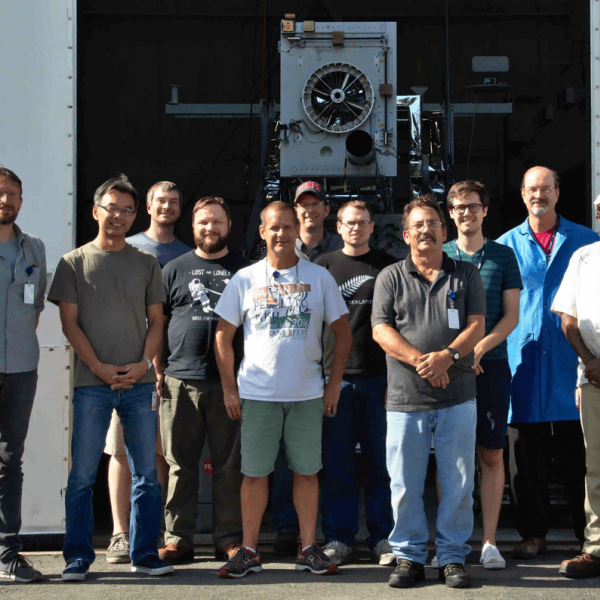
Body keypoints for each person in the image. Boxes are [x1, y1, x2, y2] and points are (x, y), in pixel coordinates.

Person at [214, 201, 352, 578]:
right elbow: (223, 336)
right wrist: (230, 388)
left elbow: (343, 333)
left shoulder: (319, 277)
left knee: (307, 473)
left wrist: (333, 384)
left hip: (307, 393)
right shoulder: (244, 278)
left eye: (288, 227)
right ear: (262, 232)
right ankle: (248, 551)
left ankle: (308, 548)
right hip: (257, 395)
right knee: (254, 474)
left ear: (297, 230)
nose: (281, 234)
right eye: (273, 227)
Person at [47, 175, 174, 581]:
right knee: (82, 476)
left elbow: (157, 322)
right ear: (95, 210)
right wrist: (100, 369)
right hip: (92, 385)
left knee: (147, 476)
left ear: (135, 215)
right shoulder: (73, 262)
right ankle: (78, 558)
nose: (118, 215)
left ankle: (144, 554)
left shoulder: (146, 262)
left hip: (138, 386)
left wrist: (143, 365)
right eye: (111, 207)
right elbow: (70, 324)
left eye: (126, 210)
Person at [372, 194, 486, 589]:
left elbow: (477, 325)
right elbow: (381, 330)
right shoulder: (390, 276)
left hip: (458, 397)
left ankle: (453, 556)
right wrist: (425, 361)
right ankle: (409, 555)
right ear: (406, 235)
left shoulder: (466, 274)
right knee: (404, 482)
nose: (425, 230)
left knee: (458, 481)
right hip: (406, 399)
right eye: (417, 225)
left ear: (444, 229)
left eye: (432, 223)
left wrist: (449, 356)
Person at [497, 166, 600, 559]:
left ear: (558, 193)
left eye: (546, 188)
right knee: (526, 460)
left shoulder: (587, 242)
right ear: (522, 195)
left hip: (574, 364)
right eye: (531, 189)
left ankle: (584, 536)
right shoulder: (505, 246)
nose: (538, 194)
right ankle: (533, 534)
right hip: (522, 364)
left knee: (582, 458)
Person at [104, 181, 190, 564]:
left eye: (174, 201)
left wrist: (161, 364)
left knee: (157, 453)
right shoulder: (129, 246)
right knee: (121, 450)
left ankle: (146, 530)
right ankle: (120, 534)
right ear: (147, 207)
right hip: (125, 365)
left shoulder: (187, 255)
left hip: (167, 370)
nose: (167, 206)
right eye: (161, 201)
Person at [158, 196, 246, 563]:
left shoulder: (245, 271)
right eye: (203, 223)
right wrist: (157, 370)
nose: (210, 228)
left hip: (231, 384)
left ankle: (228, 539)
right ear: (192, 227)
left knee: (230, 466)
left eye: (217, 222)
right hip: (179, 381)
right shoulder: (173, 269)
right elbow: (157, 325)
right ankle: (178, 538)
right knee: (180, 464)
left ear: (229, 226)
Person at [442, 180, 522, 569]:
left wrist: (480, 349)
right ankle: (450, 539)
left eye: (473, 206)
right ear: (451, 212)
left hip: (491, 365)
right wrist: (456, 354)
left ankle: (489, 541)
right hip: (449, 367)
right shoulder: (440, 255)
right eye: (459, 207)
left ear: (485, 211)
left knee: (491, 451)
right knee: (450, 456)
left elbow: (511, 315)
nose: (466, 213)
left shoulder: (504, 257)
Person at [314, 200, 395, 566]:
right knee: (337, 464)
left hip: (381, 378)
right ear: (338, 226)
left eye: (362, 222)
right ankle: (340, 538)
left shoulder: (389, 267)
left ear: (372, 226)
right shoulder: (323, 267)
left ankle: (382, 538)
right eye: (349, 222)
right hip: (337, 380)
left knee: (381, 464)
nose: (356, 227)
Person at [272, 180, 344, 556]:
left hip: (330, 370)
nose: (309, 210)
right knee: (287, 458)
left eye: (316, 204)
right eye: (303, 205)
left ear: (326, 210)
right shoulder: (278, 250)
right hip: (292, 371)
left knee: (326, 457)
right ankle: (287, 529)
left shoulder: (341, 251)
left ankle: (328, 535)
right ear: (294, 211)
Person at [0, 167, 46, 584]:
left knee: (9, 461)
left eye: (12, 194)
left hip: (20, 369)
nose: (5, 201)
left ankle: (7, 552)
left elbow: (35, 310)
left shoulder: (34, 249)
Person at [552, 194, 600, 579]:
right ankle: (598, 548)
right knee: (597, 467)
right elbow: (568, 318)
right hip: (595, 376)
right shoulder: (584, 257)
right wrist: (591, 360)